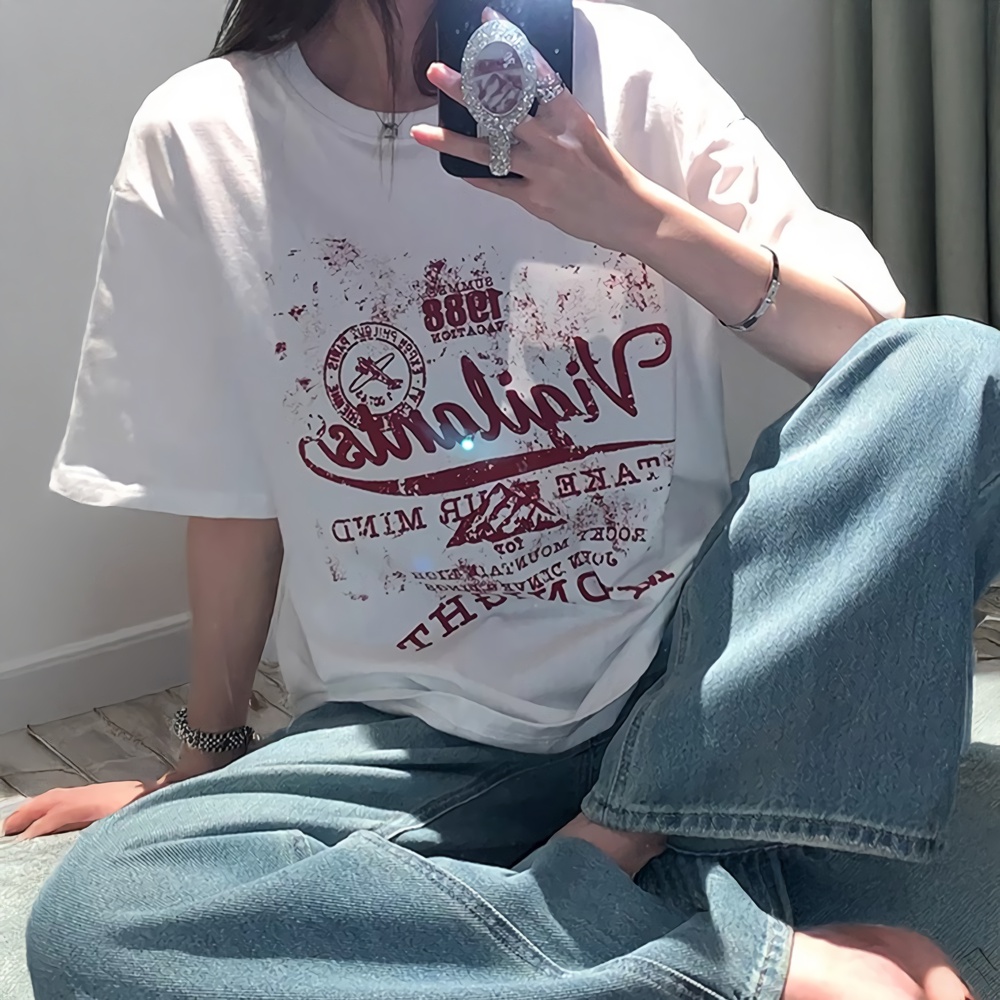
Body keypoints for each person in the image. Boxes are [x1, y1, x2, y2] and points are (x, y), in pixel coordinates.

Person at [8, 0, 998, 995]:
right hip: (416, 740)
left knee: (958, 365)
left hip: (697, 684)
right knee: (106, 920)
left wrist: (637, 218)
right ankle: (741, 950)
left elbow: (873, 349)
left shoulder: (627, 65)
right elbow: (234, 494)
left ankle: (609, 850)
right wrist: (206, 762)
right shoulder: (205, 132)